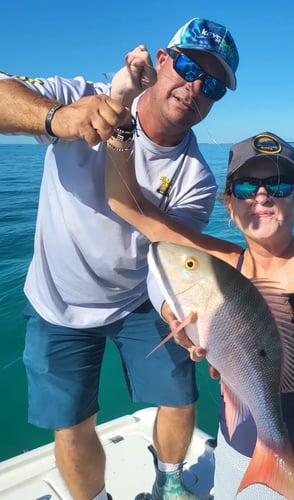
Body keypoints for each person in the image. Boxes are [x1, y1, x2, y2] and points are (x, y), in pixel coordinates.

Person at [0, 17, 239, 500]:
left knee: (179, 398)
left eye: (212, 85)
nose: (195, 87)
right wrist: (58, 119)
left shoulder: (198, 179)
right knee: (71, 424)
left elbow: (166, 256)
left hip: (141, 299)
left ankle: (170, 482)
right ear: (164, 60)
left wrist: (180, 310)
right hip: (58, 302)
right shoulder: (79, 93)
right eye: (190, 67)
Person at [105, 130, 294, 499]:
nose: (262, 196)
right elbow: (126, 203)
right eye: (246, 187)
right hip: (235, 460)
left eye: (278, 186)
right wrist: (121, 134)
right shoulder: (217, 268)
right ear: (229, 204)